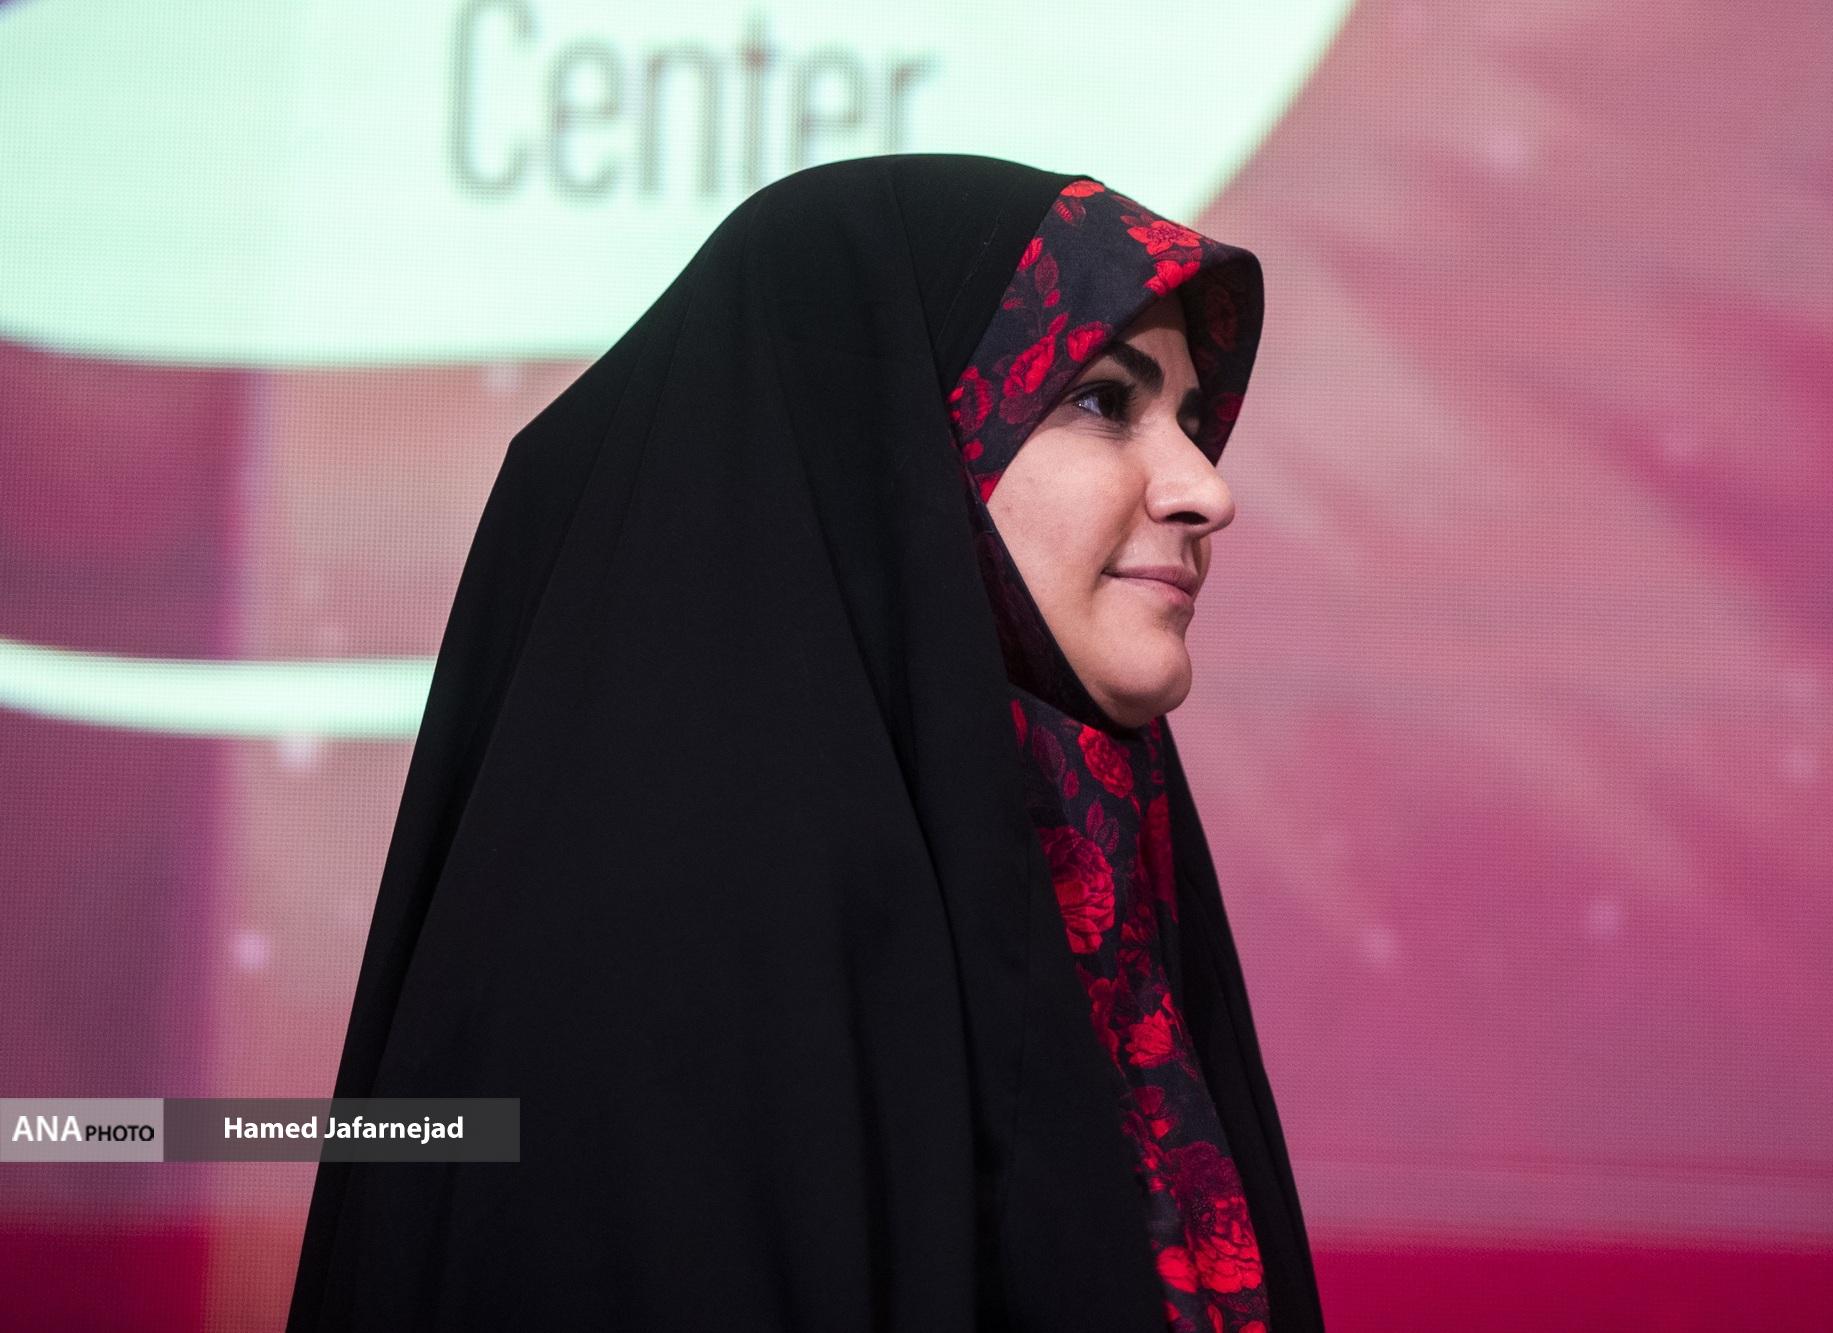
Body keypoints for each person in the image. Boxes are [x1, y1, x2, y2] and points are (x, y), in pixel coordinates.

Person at [286, 152, 1323, 1333]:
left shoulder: (1092, 865)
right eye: (1100, 400)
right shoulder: (645, 983)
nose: (1205, 489)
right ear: (891, 452)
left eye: (1187, 420)